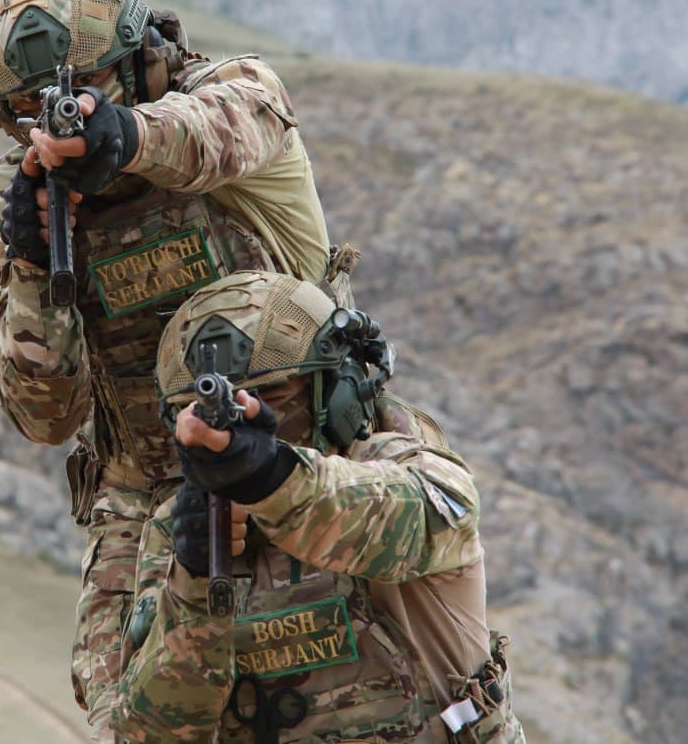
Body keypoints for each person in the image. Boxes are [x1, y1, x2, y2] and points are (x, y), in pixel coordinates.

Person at [0, 0, 356, 739]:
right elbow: (44, 412)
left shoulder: (236, 97)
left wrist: (125, 137)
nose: (53, 122)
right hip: (146, 494)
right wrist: (37, 264)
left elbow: (216, 132)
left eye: (85, 93)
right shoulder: (12, 202)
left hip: (309, 458)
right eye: (23, 116)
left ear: (144, 58)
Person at [111, 270, 524, 742]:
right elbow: (150, 732)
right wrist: (193, 586)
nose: (247, 421)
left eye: (276, 395)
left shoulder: (408, 466)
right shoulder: (183, 529)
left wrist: (271, 476)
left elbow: (399, 520)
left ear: (336, 387)